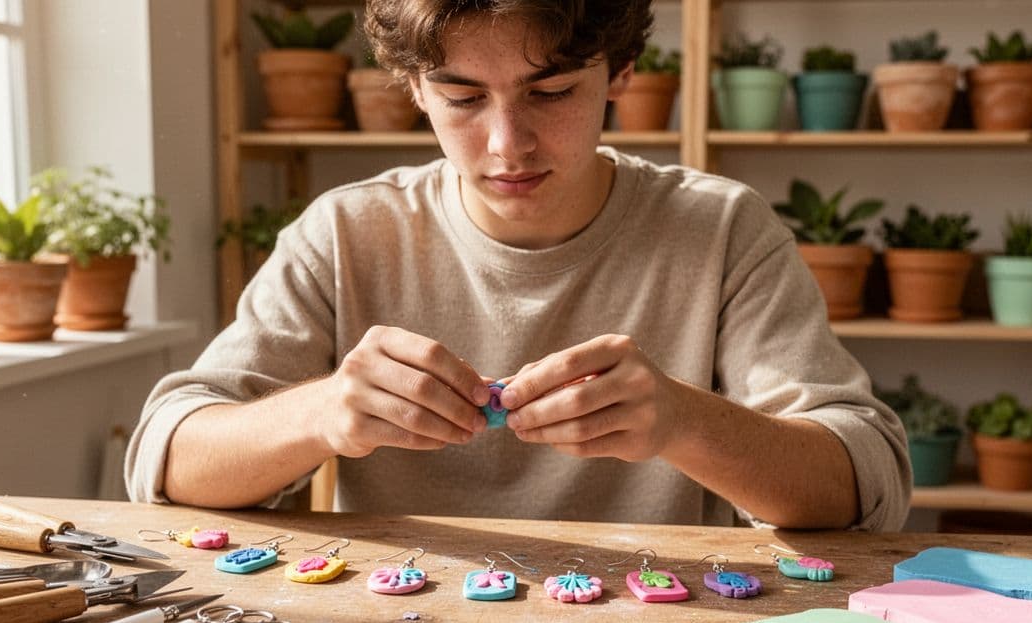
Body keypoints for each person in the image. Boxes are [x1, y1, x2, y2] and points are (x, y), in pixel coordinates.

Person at [126, 0, 911, 530]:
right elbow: (164, 459)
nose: (508, 145)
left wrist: (681, 420)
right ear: (412, 89)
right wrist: (322, 411)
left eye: (553, 90)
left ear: (623, 71)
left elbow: (867, 483)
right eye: (463, 99)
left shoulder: (719, 228)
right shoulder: (346, 231)